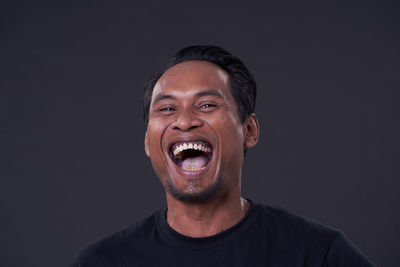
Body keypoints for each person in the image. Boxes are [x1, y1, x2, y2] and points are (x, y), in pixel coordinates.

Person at [70, 45, 375, 266]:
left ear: (250, 131)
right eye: (166, 109)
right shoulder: (101, 262)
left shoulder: (318, 253)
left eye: (206, 105)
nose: (184, 120)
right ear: (149, 143)